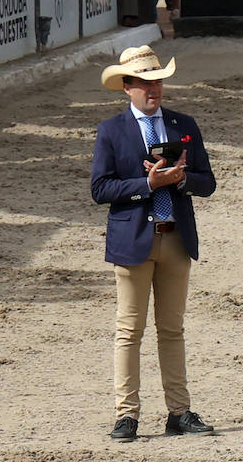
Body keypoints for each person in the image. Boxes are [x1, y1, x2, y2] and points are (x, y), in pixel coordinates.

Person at [91, 45, 216, 441]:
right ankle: (126, 414)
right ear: (127, 87)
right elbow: (100, 188)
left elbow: (207, 182)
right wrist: (147, 184)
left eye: (157, 81)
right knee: (129, 330)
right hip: (134, 239)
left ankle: (178, 411)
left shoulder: (185, 124)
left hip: (175, 238)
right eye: (145, 83)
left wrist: (180, 178)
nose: (154, 89)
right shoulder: (111, 130)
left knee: (172, 329)